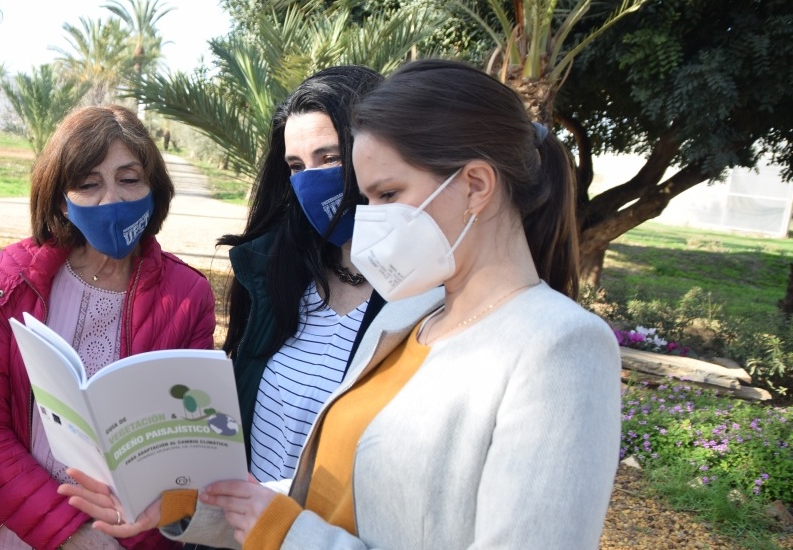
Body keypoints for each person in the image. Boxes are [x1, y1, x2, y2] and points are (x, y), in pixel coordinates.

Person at [59, 59, 622, 550]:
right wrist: (182, 507)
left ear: (476, 184)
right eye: (366, 194)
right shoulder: (410, 319)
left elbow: (297, 527)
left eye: (387, 194)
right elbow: (319, 497)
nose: (369, 217)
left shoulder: (560, 347)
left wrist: (286, 535)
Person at [0, 104, 215, 550]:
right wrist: (72, 535)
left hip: (124, 537)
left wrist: (139, 524)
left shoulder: (186, 296)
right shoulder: (14, 275)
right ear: (62, 200)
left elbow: (188, 452)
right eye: (88, 184)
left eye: (129, 179)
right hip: (8, 528)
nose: (112, 201)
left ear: (154, 187)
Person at [218, 66, 385, 483]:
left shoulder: (421, 298)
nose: (311, 181)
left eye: (329, 157)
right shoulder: (276, 278)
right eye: (296, 165)